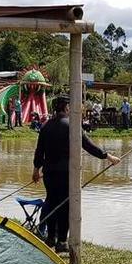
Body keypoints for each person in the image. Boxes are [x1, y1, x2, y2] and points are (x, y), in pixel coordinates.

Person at [32, 95, 120, 253]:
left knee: (51, 201)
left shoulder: (45, 126)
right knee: (64, 205)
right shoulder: (71, 126)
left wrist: (35, 170)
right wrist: (107, 156)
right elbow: (88, 145)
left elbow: (39, 151)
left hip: (49, 173)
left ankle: (50, 237)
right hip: (66, 173)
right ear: (66, 108)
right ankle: (62, 241)